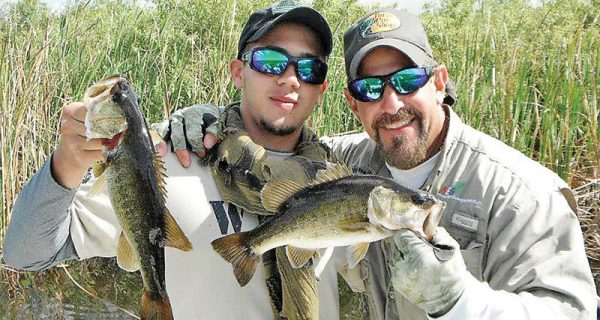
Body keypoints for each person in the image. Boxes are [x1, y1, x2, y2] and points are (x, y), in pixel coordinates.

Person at [163, 8, 597, 320]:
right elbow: (278, 140)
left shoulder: (522, 192)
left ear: (440, 82)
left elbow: (572, 312)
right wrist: (213, 120)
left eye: (408, 81)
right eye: (370, 89)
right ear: (353, 104)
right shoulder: (349, 159)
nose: (391, 103)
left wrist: (460, 301)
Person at [3, 1, 343, 319]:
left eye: (310, 68)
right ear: (238, 72)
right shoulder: (167, 158)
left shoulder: (341, 181)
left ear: (323, 89)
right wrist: (67, 162)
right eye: (270, 61)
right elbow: (26, 252)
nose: (290, 78)